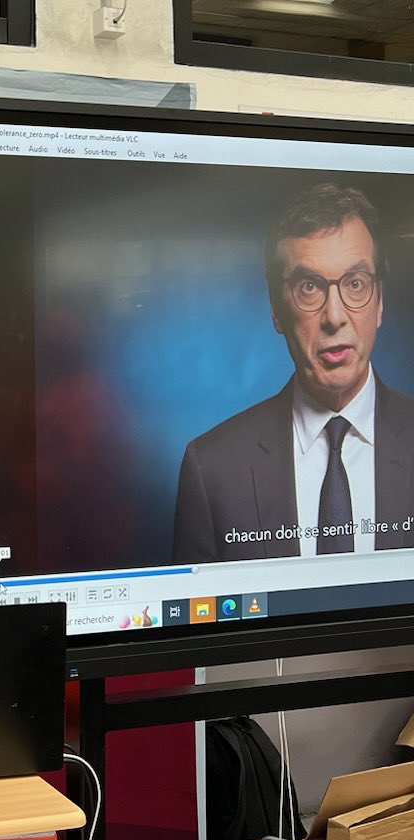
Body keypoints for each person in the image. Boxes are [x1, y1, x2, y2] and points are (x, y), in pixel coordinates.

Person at [173, 182, 414, 564]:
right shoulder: (212, 468)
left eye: (355, 284)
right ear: (276, 309)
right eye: (309, 287)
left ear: (379, 301)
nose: (335, 316)